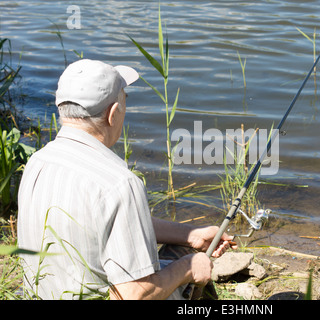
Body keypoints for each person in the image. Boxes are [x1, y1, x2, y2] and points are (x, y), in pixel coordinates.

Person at [17, 59, 235, 300]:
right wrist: (189, 267)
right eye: (124, 101)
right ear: (113, 114)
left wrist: (190, 234)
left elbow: (110, 226)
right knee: (188, 263)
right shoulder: (119, 182)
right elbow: (134, 296)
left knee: (184, 247)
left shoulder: (37, 162)